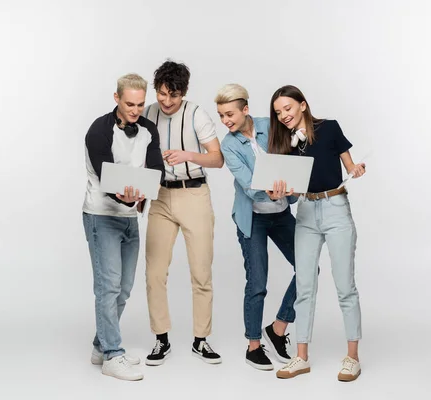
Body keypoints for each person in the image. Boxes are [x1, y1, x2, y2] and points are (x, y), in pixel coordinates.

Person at [269, 85, 365, 382]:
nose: (283, 115)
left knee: (344, 286)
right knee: (305, 285)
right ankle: (301, 358)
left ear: (302, 105)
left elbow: (349, 165)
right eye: (278, 112)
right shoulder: (284, 142)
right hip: (307, 213)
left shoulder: (330, 128)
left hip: (335, 207)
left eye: (287, 108)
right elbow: (290, 191)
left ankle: (352, 358)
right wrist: (276, 195)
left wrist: (357, 169)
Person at [82, 73, 164, 380]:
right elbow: (106, 178)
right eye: (129, 103)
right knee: (108, 286)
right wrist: (128, 195)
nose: (135, 110)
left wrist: (141, 195)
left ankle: (100, 345)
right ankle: (112, 355)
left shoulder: (148, 129)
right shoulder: (98, 130)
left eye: (141, 104)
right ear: (116, 98)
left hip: (130, 219)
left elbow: (155, 168)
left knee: (124, 288)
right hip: (101, 216)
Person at [143, 60, 224, 365]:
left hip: (194, 194)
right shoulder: (149, 112)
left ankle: (201, 340)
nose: (166, 101)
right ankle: (160, 338)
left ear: (184, 92)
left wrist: (188, 155)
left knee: (201, 271)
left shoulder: (196, 114)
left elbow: (217, 159)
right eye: (162, 94)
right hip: (161, 196)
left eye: (173, 96)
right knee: (154, 271)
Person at [216, 83, 299, 371]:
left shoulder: (269, 125)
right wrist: (269, 193)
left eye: (229, 114)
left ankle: (277, 329)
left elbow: (292, 157)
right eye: (221, 116)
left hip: (282, 213)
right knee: (257, 282)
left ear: (246, 109)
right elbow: (249, 184)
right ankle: (253, 346)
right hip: (253, 218)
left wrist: (292, 189)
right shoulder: (228, 145)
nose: (226, 121)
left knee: (307, 268)